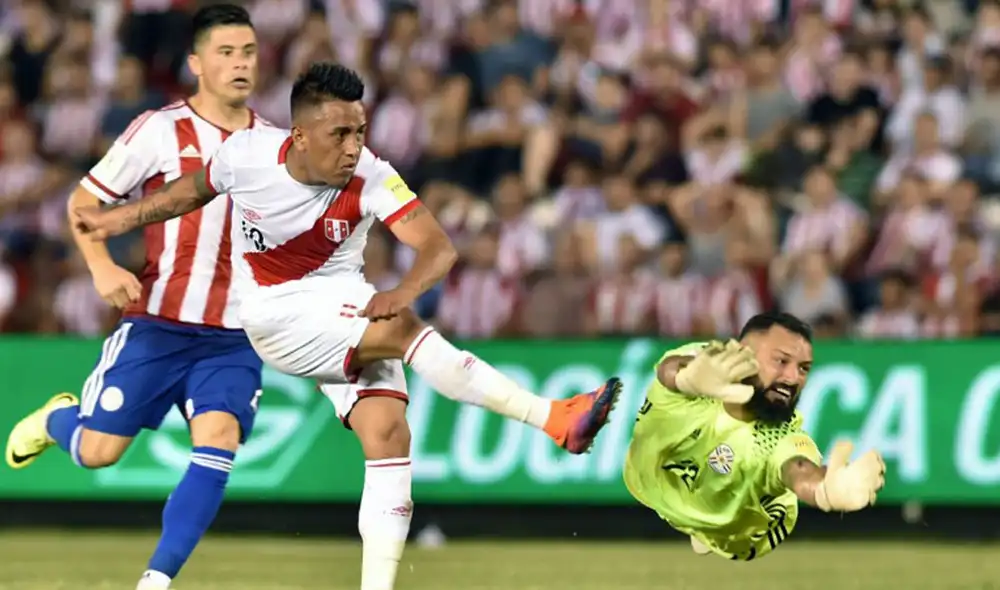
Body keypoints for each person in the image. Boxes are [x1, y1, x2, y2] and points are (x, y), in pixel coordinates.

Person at [72, 62, 622, 590]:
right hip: (274, 313)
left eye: (360, 130)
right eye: (340, 133)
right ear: (301, 135)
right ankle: (552, 418)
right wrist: (112, 220)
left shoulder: (373, 174)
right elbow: (182, 196)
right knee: (403, 331)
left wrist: (403, 290)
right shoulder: (245, 155)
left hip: (347, 305)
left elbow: (437, 246)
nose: (354, 145)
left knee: (388, 435)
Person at [4, 5, 267, 589]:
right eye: (226, 53)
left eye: (247, 51)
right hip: (158, 324)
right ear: (197, 64)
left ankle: (157, 579)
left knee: (218, 439)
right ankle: (56, 420)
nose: (240, 63)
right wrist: (100, 267)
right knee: (98, 452)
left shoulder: (276, 146)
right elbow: (83, 203)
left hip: (232, 336)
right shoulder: (160, 129)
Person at [624, 312, 885, 561]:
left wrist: (826, 489)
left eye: (804, 368)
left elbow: (800, 469)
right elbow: (670, 368)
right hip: (646, 480)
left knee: (731, 499)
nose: (793, 378)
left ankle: (707, 526)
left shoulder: (780, 439)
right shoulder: (705, 367)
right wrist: (686, 380)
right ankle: (702, 514)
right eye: (781, 361)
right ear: (744, 354)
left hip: (739, 530)